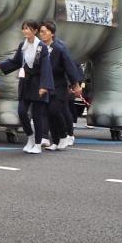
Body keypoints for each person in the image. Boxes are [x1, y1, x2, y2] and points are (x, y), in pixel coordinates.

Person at [0, 20, 53, 154]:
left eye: (28, 29)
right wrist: (1, 65)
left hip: (38, 83)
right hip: (25, 83)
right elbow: (16, 61)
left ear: (35, 31)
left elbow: (46, 68)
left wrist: (44, 86)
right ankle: (30, 137)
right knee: (21, 111)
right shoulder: (23, 45)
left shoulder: (42, 47)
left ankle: (38, 144)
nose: (25, 31)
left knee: (37, 115)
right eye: (24, 29)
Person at [40, 21, 82, 151]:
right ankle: (56, 140)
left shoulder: (59, 48)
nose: (42, 34)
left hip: (59, 85)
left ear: (52, 33)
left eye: (45, 31)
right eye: (41, 31)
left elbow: (69, 66)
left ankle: (64, 136)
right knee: (49, 113)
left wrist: (75, 84)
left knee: (55, 110)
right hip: (45, 85)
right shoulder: (39, 48)